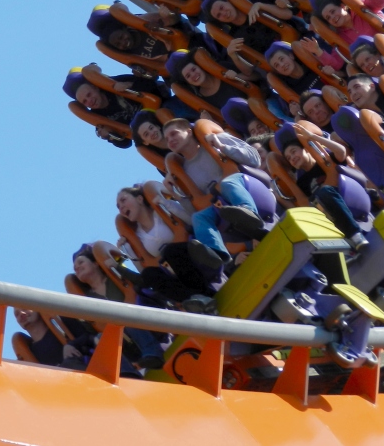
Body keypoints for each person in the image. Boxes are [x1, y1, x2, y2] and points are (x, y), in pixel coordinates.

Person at [162, 119, 268, 260]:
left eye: (174, 134)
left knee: (227, 183)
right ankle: (217, 254)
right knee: (198, 218)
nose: (170, 140)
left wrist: (222, 147)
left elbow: (255, 159)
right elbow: (194, 209)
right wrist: (175, 193)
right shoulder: (184, 171)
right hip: (223, 209)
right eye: (167, 138)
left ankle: (250, 216)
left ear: (188, 131)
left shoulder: (214, 141)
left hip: (250, 190)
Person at [114, 186, 218, 314]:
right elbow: (144, 269)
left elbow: (191, 221)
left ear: (139, 199)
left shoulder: (161, 211)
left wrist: (167, 204)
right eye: (118, 206)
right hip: (173, 272)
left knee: (170, 252)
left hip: (191, 254)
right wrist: (128, 249)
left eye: (123, 200)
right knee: (149, 274)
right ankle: (196, 299)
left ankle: (203, 295)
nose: (121, 207)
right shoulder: (137, 236)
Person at [69, 244, 166, 371]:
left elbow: (142, 281)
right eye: (75, 268)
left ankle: (153, 353)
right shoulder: (88, 299)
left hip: (147, 321)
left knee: (124, 314)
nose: (77, 267)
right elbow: (92, 329)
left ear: (95, 263)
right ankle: (129, 372)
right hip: (126, 342)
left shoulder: (116, 278)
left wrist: (118, 268)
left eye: (81, 262)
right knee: (100, 337)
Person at [272, 124, 369, 249]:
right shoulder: (301, 183)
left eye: (294, 152)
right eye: (289, 158)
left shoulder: (325, 160)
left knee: (324, 192)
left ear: (305, 149)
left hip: (348, 196)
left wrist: (312, 137)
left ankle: (355, 235)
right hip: (328, 212)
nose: (293, 158)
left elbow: (341, 151)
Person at [63, 65, 165, 148]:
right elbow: (125, 143)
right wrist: (110, 136)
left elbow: (151, 86)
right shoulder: (98, 118)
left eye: (89, 95)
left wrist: (129, 86)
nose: (89, 101)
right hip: (150, 136)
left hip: (160, 110)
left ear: (95, 87)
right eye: (84, 101)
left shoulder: (114, 83)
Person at [166, 49, 250, 113]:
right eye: (188, 76)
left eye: (194, 69)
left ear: (200, 66)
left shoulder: (221, 68)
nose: (193, 75)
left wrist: (237, 77)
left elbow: (256, 76)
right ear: (187, 82)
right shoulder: (201, 100)